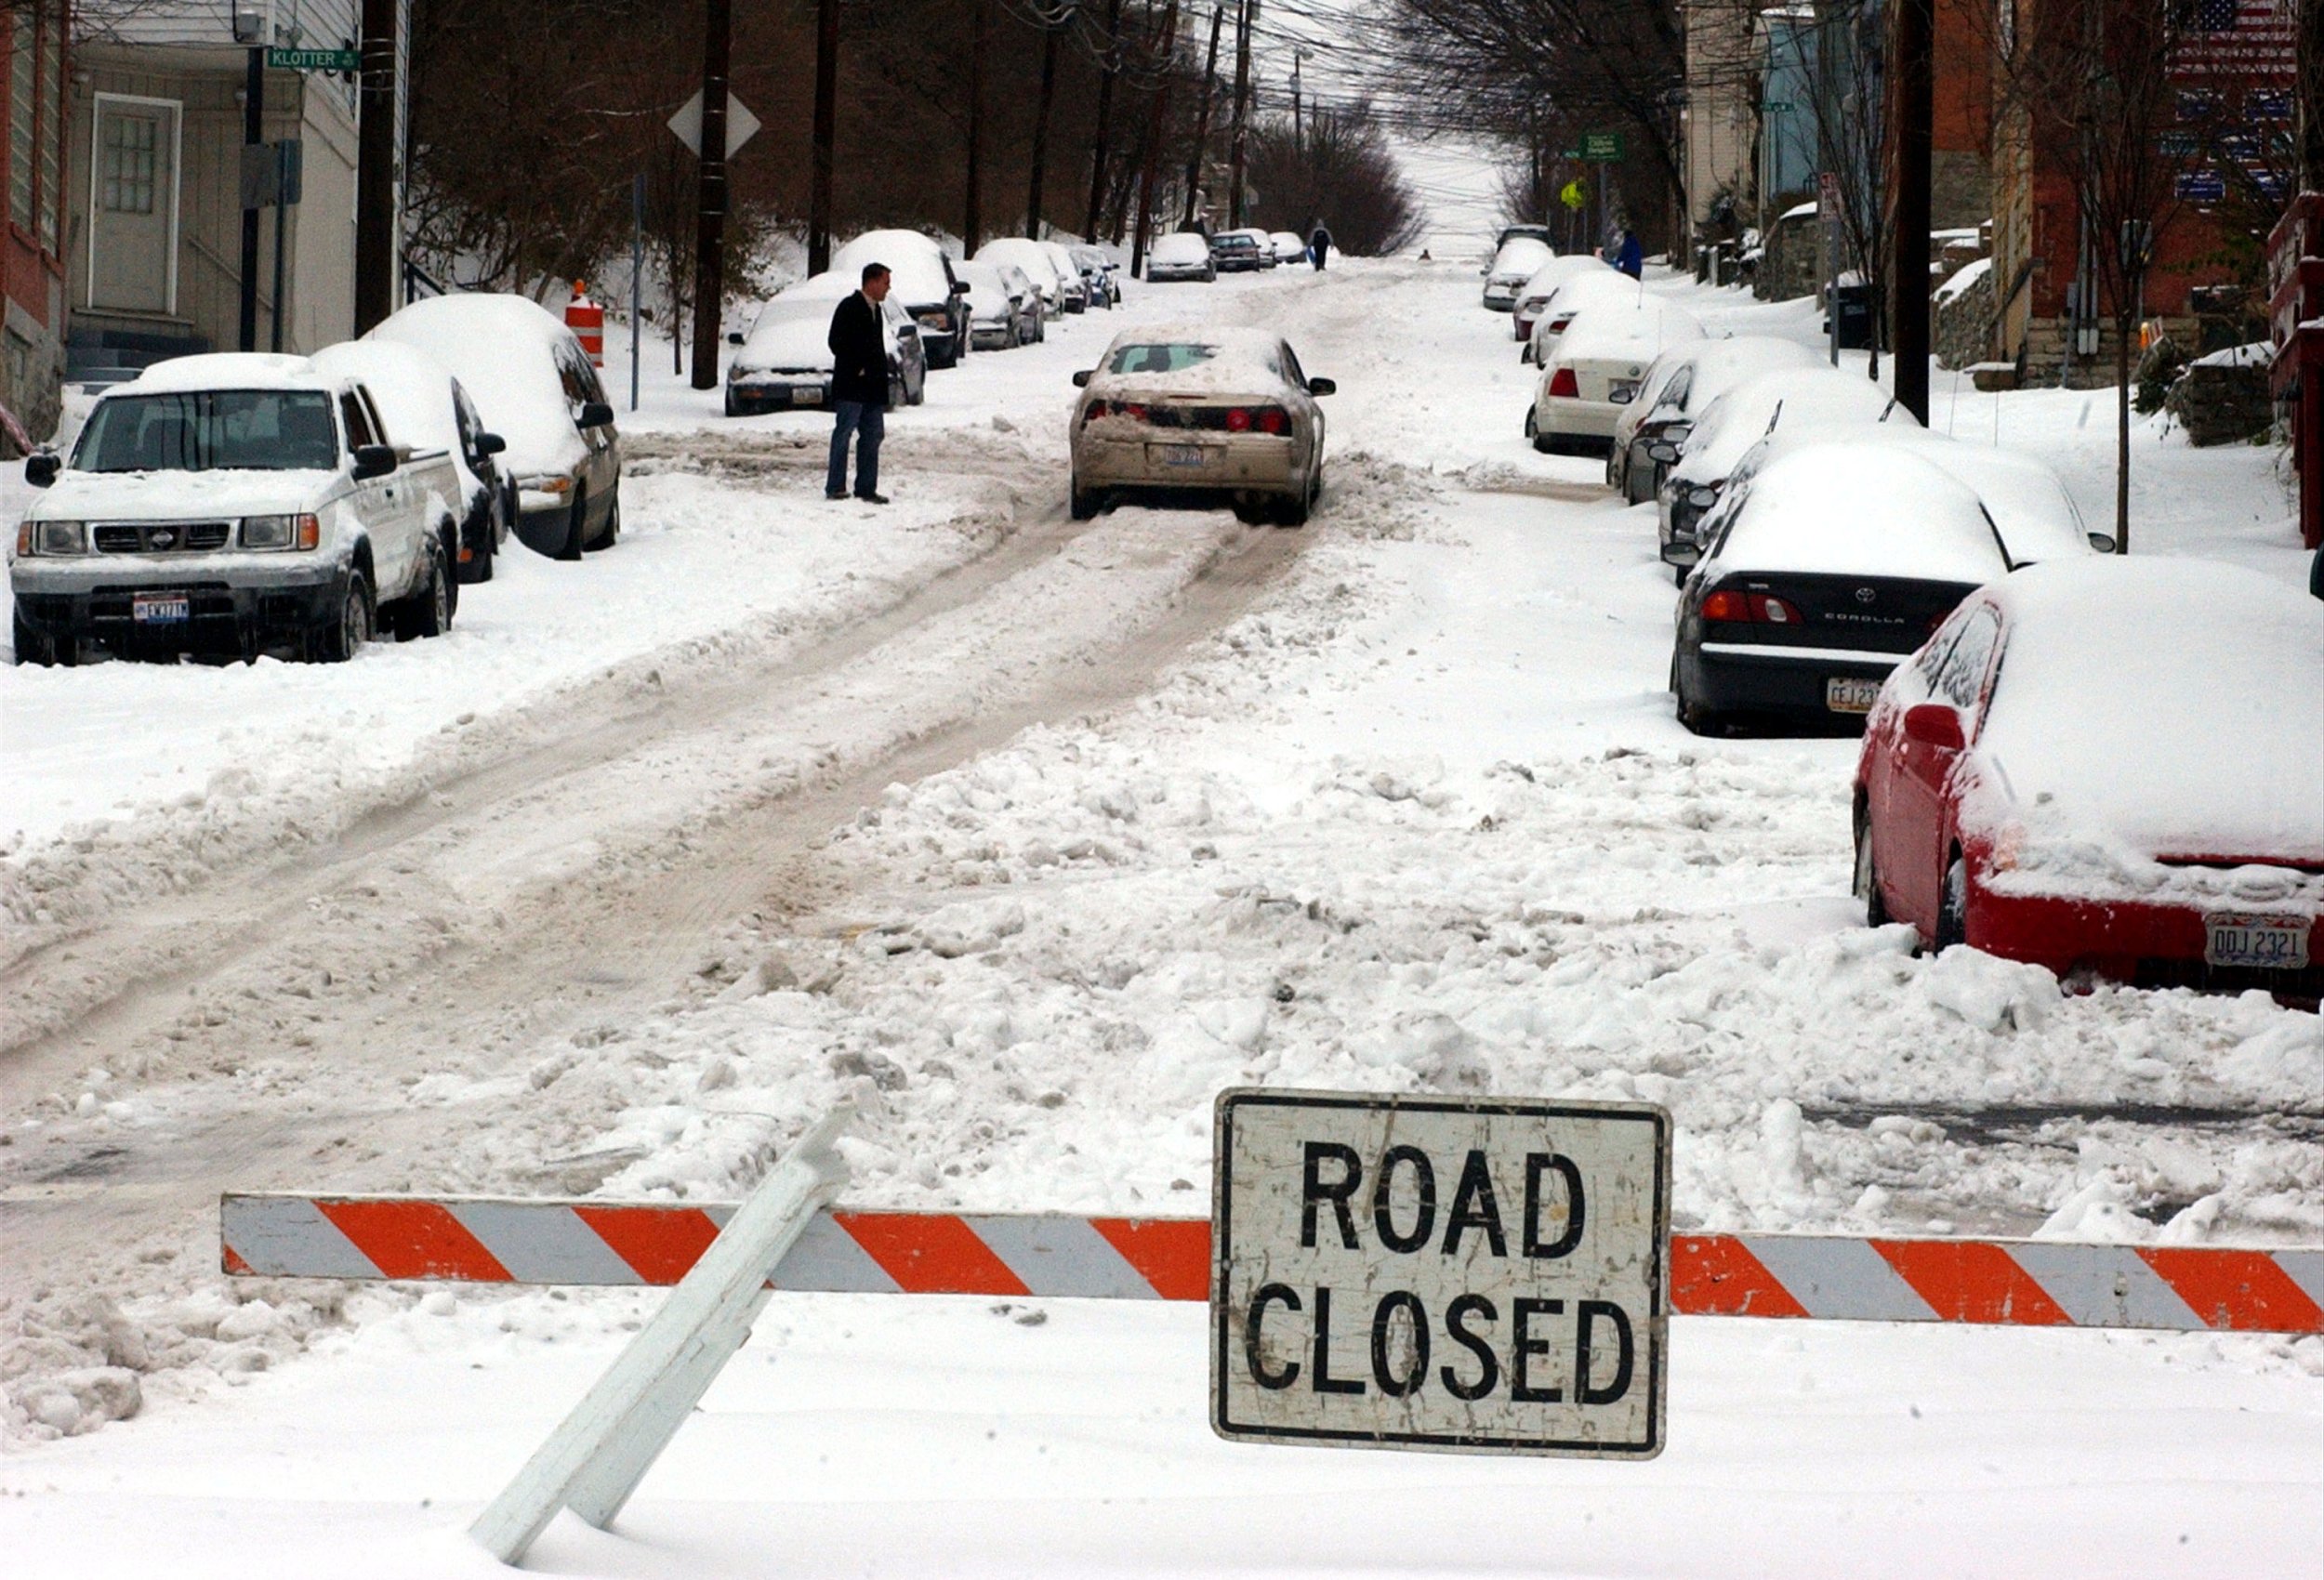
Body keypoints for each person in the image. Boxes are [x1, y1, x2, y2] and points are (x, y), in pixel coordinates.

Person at [826, 262, 891, 504]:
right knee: (844, 433)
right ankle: (835, 486)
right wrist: (857, 367)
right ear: (872, 282)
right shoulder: (849, 307)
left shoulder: (876, 311)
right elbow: (836, 342)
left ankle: (866, 487)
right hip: (851, 385)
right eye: (885, 282)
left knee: (873, 434)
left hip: (873, 387)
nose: (888, 288)